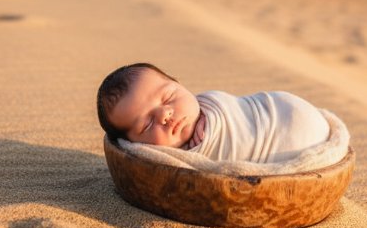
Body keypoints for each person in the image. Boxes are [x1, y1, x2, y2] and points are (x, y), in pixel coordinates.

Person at [96, 62, 330, 164]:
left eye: (169, 97)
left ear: (180, 84)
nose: (165, 115)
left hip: (281, 112)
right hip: (291, 138)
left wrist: (212, 125)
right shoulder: (166, 160)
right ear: (133, 145)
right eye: (146, 125)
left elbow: (231, 111)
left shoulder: (211, 103)